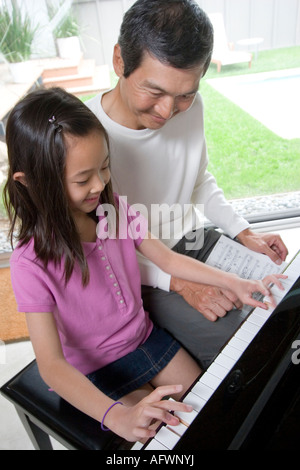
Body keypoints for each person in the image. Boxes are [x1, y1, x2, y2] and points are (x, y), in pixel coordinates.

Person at [4, 87, 284, 443]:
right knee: (160, 433)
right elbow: (51, 365)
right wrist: (117, 417)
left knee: (204, 409)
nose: (99, 184)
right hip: (95, 370)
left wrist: (234, 282)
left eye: (104, 167)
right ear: (29, 184)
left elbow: (167, 259)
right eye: (82, 178)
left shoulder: (113, 210)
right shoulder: (30, 264)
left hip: (144, 338)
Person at [87, 0, 288, 368]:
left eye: (184, 93)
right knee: (243, 348)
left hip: (192, 243)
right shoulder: (83, 139)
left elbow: (197, 179)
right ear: (119, 61)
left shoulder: (190, 108)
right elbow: (98, 252)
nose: (167, 111)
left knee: (282, 304)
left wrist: (242, 231)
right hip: (137, 273)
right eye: (155, 92)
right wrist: (178, 281)